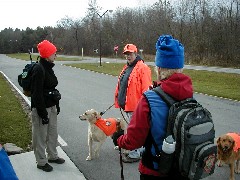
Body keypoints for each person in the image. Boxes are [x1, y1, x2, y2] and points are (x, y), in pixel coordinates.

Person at [116, 35, 193, 179]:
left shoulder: (149, 99)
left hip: (154, 169)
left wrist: (118, 139)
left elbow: (134, 140)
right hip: (182, 167)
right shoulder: (189, 95)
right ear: (180, 67)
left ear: (158, 68)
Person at [114, 43, 152, 163]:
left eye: (130, 54)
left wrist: (143, 108)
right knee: (131, 129)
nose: (128, 56)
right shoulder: (127, 67)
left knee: (134, 131)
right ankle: (135, 148)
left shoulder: (143, 68)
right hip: (127, 106)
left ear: (135, 53)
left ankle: (135, 153)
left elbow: (146, 89)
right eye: (126, 54)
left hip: (136, 107)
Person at [31, 40, 64, 172]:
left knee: (52, 134)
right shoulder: (39, 69)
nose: (55, 55)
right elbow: (36, 94)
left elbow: (50, 88)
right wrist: (42, 113)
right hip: (41, 109)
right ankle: (41, 161)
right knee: (40, 136)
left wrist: (56, 104)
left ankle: (52, 156)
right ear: (46, 54)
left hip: (51, 107)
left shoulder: (49, 67)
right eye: (54, 53)